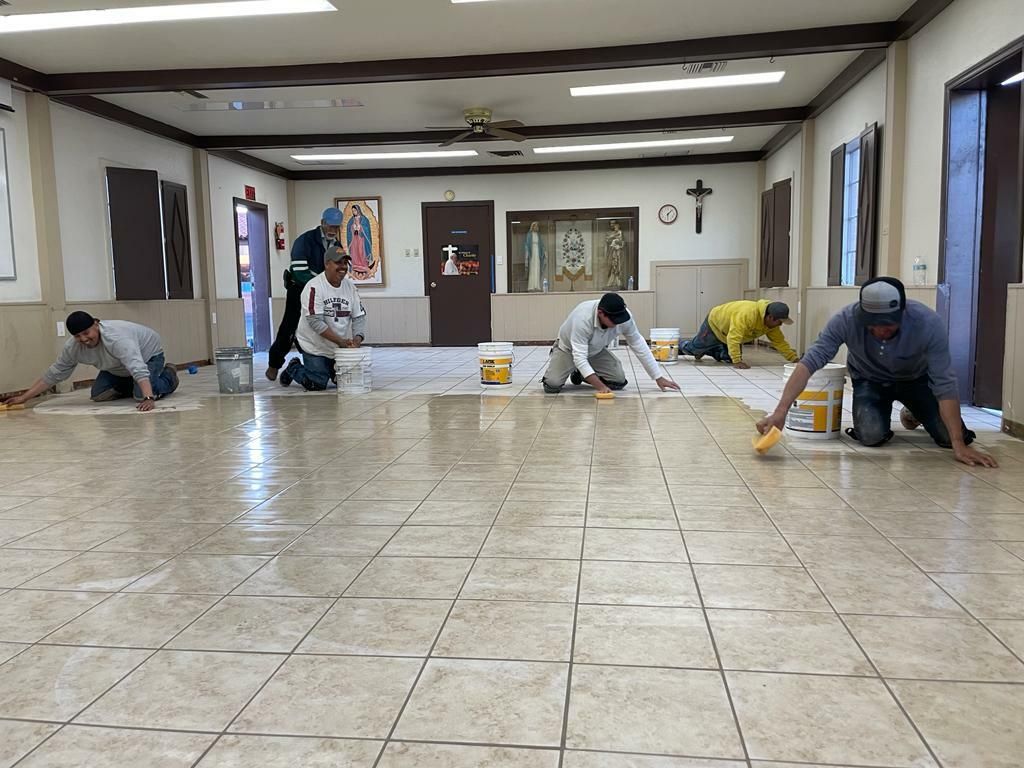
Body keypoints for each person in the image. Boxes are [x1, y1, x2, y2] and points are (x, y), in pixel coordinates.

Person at [756, 277, 998, 468]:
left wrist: (958, 445)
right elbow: (810, 363)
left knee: (950, 437)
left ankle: (915, 411)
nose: (881, 330)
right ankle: (896, 412)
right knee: (871, 436)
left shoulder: (927, 324)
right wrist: (780, 412)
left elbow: (945, 384)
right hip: (869, 381)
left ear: (902, 313)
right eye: (873, 324)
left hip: (916, 381)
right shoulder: (845, 319)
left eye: (888, 324)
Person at [3, 312, 178, 413]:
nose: (84, 339)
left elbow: (137, 366)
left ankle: (169, 376)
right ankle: (135, 385)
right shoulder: (73, 348)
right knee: (99, 395)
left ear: (96, 324)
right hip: (115, 367)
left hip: (148, 356)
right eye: (78, 336)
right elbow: (55, 373)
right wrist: (23, 397)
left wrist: (148, 397)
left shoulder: (117, 338)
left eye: (87, 333)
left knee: (141, 396)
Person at [542, 293, 681, 395]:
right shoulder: (582, 318)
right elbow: (579, 358)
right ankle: (567, 364)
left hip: (595, 351)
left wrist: (658, 377)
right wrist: (600, 387)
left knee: (618, 381)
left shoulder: (623, 316)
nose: (618, 323)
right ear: (601, 313)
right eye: (614, 320)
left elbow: (638, 344)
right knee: (552, 386)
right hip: (568, 349)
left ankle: (580, 374)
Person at [265, 207, 343, 381]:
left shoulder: (337, 245)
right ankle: (274, 363)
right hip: (299, 289)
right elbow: (300, 272)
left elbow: (340, 268)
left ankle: (327, 368)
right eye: (330, 226)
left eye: (336, 228)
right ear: (322, 223)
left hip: (322, 293)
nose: (332, 231)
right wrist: (323, 284)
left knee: (322, 328)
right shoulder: (305, 240)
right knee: (290, 328)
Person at [280, 247, 367, 391]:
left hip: (338, 347)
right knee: (317, 383)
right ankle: (294, 367)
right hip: (314, 346)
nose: (343, 267)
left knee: (346, 381)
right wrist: (341, 341)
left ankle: (329, 369)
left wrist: (357, 340)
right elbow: (315, 322)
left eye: (345, 263)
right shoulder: (314, 287)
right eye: (339, 263)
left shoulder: (350, 288)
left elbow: (359, 317)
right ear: (327, 264)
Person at [682, 299, 798, 369]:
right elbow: (733, 338)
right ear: (770, 317)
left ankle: (708, 349)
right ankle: (677, 344)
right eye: (780, 322)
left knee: (728, 358)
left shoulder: (771, 325)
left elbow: (780, 342)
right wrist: (737, 361)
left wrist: (794, 359)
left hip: (728, 333)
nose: (780, 325)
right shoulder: (747, 315)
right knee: (693, 350)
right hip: (715, 324)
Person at [346, 203, 374, 276]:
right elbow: (348, 229)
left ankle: (363, 265)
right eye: (352, 211)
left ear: (358, 210)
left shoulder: (364, 219)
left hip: (361, 238)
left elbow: (367, 229)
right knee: (355, 251)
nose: (354, 212)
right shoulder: (351, 220)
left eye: (355, 210)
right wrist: (353, 227)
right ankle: (355, 264)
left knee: (361, 251)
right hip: (354, 239)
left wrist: (360, 227)